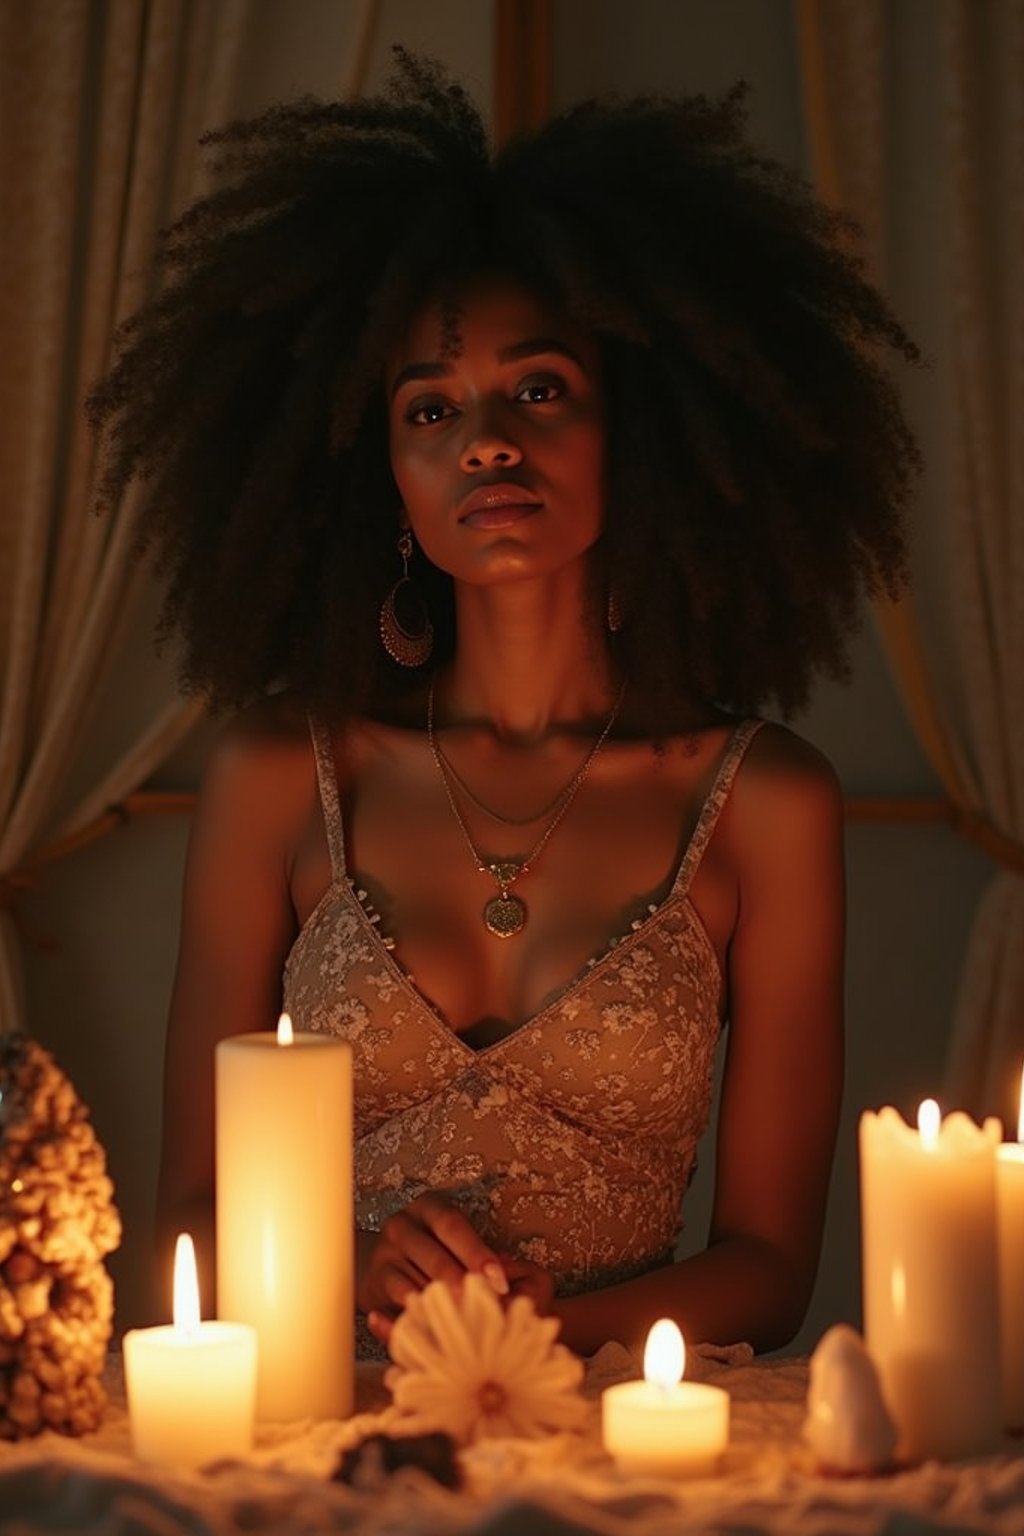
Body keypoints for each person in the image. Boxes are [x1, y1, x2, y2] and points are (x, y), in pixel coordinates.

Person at [89, 52, 918, 1359]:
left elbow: (767, 1263)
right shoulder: (279, 775)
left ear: (636, 430)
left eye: (539, 388)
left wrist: (542, 1335)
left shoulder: (764, 800)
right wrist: (347, 1269)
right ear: (389, 480)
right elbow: (186, 1216)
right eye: (433, 408)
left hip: (629, 1432)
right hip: (321, 1435)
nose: (487, 440)